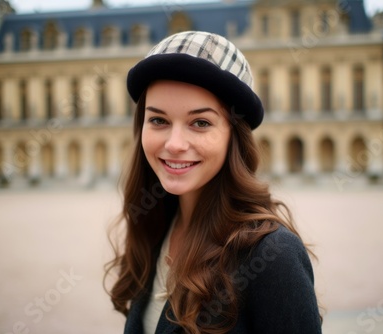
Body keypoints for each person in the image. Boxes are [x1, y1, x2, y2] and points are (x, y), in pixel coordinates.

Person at [106, 31, 322, 334]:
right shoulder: (152, 226)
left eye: (200, 123)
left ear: (234, 136)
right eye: (158, 120)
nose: (175, 144)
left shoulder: (272, 256)